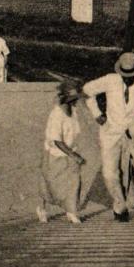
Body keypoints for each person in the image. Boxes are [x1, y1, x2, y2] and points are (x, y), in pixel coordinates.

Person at [83, 52, 134, 222]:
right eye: (124, 75)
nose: (126, 79)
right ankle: (119, 206)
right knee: (110, 172)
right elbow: (87, 91)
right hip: (111, 133)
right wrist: (97, 114)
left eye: (130, 76)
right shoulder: (110, 80)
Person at [36, 81, 86, 225]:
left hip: (70, 152)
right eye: (74, 99)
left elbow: (74, 132)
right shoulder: (57, 114)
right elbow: (57, 140)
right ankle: (42, 209)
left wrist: (73, 153)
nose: (76, 101)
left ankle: (71, 212)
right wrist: (73, 155)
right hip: (55, 154)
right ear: (65, 98)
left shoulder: (73, 111)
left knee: (74, 183)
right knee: (50, 185)